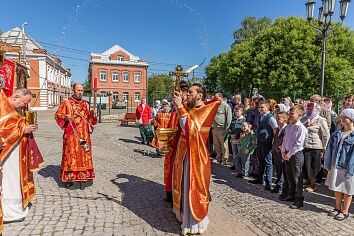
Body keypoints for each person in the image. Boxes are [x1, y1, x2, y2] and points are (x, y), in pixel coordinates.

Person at [172, 83, 220, 235]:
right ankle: (184, 214)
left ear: (200, 95)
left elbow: (190, 130)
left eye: (191, 92)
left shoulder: (207, 109)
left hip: (197, 157)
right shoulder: (191, 108)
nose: (188, 94)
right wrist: (178, 105)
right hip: (185, 154)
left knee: (194, 187)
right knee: (184, 185)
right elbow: (182, 124)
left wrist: (180, 107)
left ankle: (195, 222)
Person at [0, 88, 37, 223]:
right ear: (16, 97)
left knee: (16, 180)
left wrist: (26, 126)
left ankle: (16, 209)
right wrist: (22, 129)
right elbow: (2, 131)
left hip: (17, 154)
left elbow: (14, 124)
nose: (25, 106)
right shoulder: (2, 106)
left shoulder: (14, 108)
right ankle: (9, 212)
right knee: (9, 181)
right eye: (24, 102)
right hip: (6, 156)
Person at [55, 83, 97, 190]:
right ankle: (71, 181)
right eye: (78, 90)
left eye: (81, 90)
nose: (80, 92)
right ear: (73, 90)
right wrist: (65, 117)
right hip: (72, 136)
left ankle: (84, 180)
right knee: (71, 157)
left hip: (84, 136)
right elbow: (57, 115)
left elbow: (90, 121)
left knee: (84, 156)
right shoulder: (67, 103)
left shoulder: (86, 104)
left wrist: (93, 115)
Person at [324, 108, 354, 220]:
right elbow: (329, 149)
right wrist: (328, 164)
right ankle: (337, 207)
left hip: (348, 166)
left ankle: (345, 211)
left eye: (345, 117)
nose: (342, 119)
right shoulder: (337, 134)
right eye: (342, 116)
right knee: (337, 187)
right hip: (335, 164)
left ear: (351, 119)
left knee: (347, 189)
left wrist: (350, 169)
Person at [163, 81, 189, 204]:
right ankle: (170, 193)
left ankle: (178, 196)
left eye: (179, 93)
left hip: (182, 145)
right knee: (171, 168)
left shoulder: (186, 107)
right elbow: (171, 125)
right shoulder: (175, 109)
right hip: (173, 144)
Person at [280, 106, 308, 209]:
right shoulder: (288, 126)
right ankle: (291, 195)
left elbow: (298, 144)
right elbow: (285, 140)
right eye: (289, 113)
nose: (290, 115)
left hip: (295, 155)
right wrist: (283, 151)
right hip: (287, 153)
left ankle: (299, 199)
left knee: (297, 178)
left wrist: (289, 154)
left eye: (292, 114)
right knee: (289, 176)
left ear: (299, 115)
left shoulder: (301, 128)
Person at [301, 102, 329, 192]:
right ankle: (308, 181)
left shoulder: (321, 120)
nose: (309, 111)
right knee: (306, 165)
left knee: (313, 166)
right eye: (308, 109)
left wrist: (324, 148)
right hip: (305, 145)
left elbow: (325, 135)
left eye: (311, 109)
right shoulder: (304, 118)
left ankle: (313, 185)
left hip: (315, 146)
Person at [249, 100, 278, 191]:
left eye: (262, 107)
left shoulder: (271, 118)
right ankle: (259, 178)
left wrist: (273, 141)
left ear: (268, 108)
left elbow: (275, 130)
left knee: (268, 163)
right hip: (260, 141)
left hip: (267, 143)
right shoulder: (260, 116)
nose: (260, 109)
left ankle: (268, 182)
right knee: (261, 161)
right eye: (259, 107)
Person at [212, 92, 232, 165]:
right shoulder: (216, 105)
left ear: (221, 97)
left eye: (217, 98)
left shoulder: (226, 106)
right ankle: (219, 158)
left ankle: (225, 159)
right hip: (215, 128)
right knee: (216, 144)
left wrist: (226, 128)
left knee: (224, 145)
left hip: (222, 128)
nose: (215, 100)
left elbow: (229, 118)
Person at [271, 112, 288, 194]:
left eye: (279, 119)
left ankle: (280, 185)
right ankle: (278, 183)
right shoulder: (278, 128)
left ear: (285, 119)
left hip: (281, 152)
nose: (277, 120)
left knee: (282, 170)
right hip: (275, 151)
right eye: (276, 118)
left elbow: (285, 140)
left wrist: (281, 148)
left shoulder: (286, 129)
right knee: (278, 169)